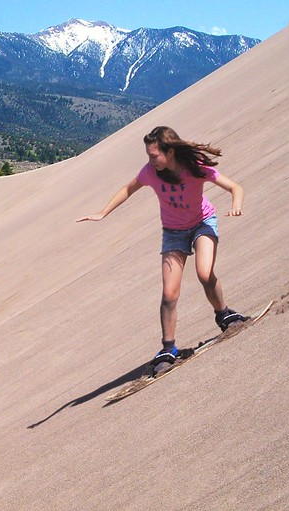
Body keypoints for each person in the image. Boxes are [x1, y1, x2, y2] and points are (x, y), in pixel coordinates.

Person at [76, 126, 247, 373]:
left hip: (202, 223)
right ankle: (168, 347)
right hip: (173, 232)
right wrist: (102, 213)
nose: (150, 161)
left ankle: (224, 315)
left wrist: (236, 205)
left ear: (170, 152)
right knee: (169, 294)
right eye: (148, 156)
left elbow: (235, 187)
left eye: (154, 155)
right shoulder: (150, 173)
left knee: (204, 273)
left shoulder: (194, 167)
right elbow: (128, 189)